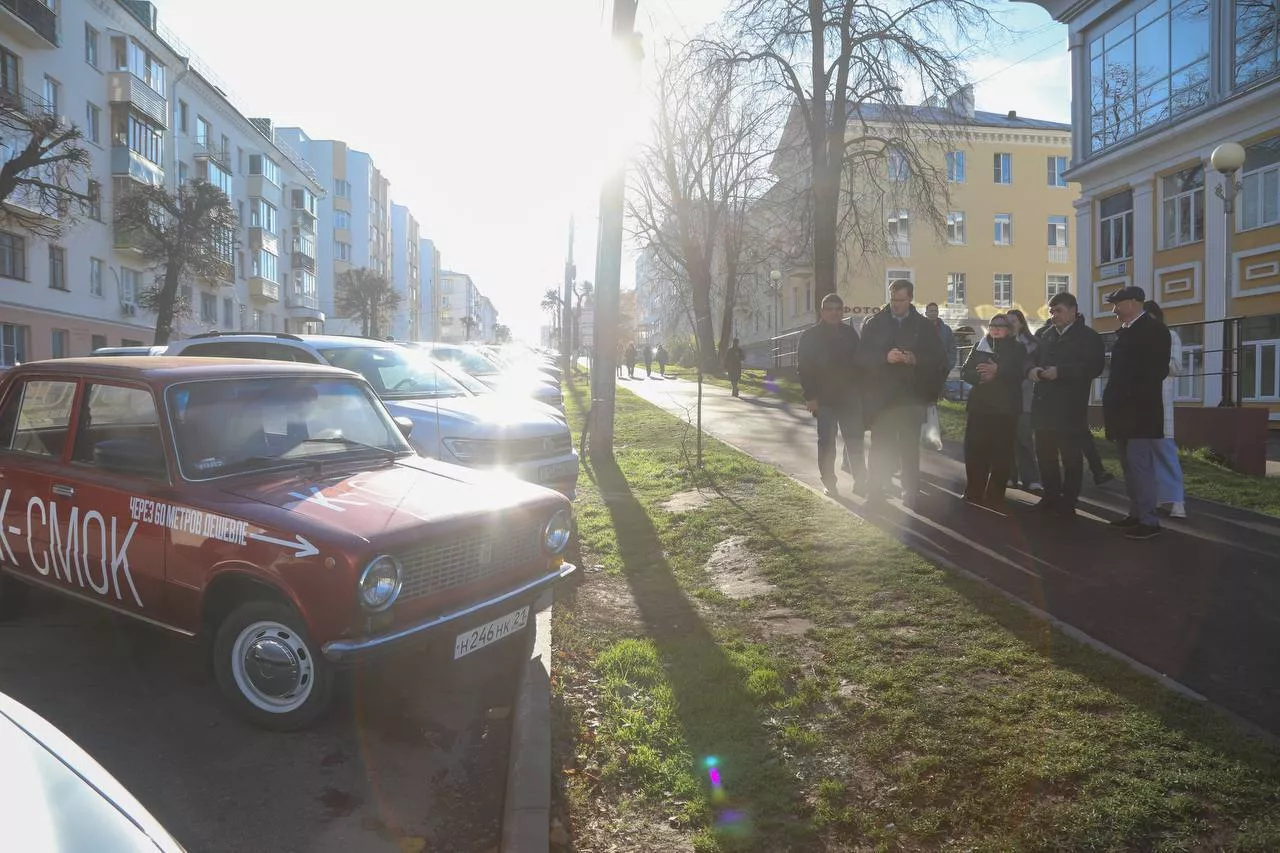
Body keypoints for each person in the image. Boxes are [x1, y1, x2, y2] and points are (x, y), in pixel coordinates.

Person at [855, 280, 948, 508]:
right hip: (882, 399)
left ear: (910, 299)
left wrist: (915, 359)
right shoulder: (875, 323)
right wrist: (884, 357)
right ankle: (875, 492)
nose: (895, 304)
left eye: (901, 300)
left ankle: (910, 493)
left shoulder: (924, 326)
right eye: (893, 299)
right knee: (880, 446)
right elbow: (861, 358)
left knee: (909, 448)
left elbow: (939, 358)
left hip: (911, 398)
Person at [1026, 291, 1106, 516]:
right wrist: (1032, 370)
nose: (1054, 316)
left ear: (1073, 310)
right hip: (1043, 405)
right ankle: (1050, 496)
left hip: (1070, 407)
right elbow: (1029, 359)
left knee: (1071, 457)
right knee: (1045, 455)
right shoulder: (1043, 334)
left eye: (1058, 311)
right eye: (1051, 311)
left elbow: (1094, 367)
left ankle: (1069, 501)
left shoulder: (1088, 337)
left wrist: (1061, 372)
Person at [1103, 286, 1172, 539]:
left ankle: (1149, 521)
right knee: (1129, 467)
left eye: (1117, 304)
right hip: (1123, 413)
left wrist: (1129, 397)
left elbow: (1155, 372)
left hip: (1140, 413)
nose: (1114, 310)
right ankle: (1136, 514)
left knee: (1140, 466)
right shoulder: (1127, 331)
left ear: (1132, 303)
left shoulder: (1154, 330)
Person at [798, 293, 866, 497]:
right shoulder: (810, 336)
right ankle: (829, 482)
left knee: (855, 441)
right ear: (822, 311)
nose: (834, 313)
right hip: (824, 399)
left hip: (849, 398)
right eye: (830, 309)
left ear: (842, 311)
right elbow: (804, 369)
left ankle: (861, 481)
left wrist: (861, 392)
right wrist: (810, 396)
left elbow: (859, 364)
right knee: (827, 443)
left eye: (838, 309)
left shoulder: (849, 333)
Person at [960, 313, 1025, 507]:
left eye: (1000, 325)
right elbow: (965, 371)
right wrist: (980, 378)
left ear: (1009, 330)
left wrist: (998, 372)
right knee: (975, 451)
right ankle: (974, 490)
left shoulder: (1017, 348)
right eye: (992, 325)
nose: (996, 328)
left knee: (1001, 454)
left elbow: (1019, 372)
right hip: (980, 407)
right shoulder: (979, 346)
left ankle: (995, 495)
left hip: (1005, 409)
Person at [1144, 301, 1186, 518]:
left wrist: (1152, 360)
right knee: (1145, 455)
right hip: (1139, 405)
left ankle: (1177, 501)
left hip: (1161, 403)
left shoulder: (1170, 336)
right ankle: (1159, 498)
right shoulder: (1136, 338)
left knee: (1165, 452)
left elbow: (1176, 367)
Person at [1004, 309, 1042, 494]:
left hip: (1025, 397)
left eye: (1014, 321)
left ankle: (1031, 479)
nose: (1011, 324)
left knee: (1024, 439)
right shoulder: (1001, 343)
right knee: (1007, 439)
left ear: (1021, 323)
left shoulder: (1033, 345)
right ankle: (1010, 476)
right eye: (1008, 321)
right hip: (1005, 397)